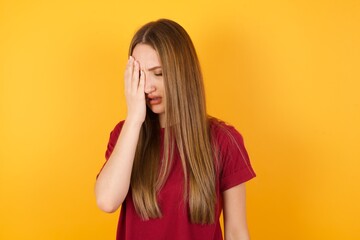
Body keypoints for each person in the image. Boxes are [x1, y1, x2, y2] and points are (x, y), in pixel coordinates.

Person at [95, 19, 256, 240]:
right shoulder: (125, 135)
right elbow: (107, 200)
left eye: (158, 73)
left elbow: (237, 232)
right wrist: (134, 119)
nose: (148, 86)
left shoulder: (224, 140)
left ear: (182, 73)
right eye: (140, 75)